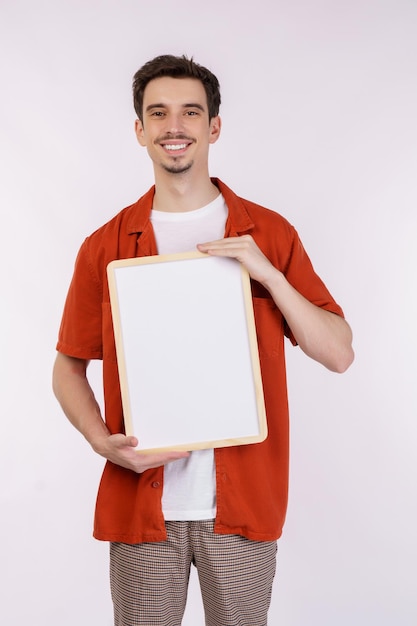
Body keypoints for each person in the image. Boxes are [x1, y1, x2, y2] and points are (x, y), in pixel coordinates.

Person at [52, 54, 354, 626]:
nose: (175, 127)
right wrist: (101, 441)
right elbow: (67, 367)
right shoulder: (105, 245)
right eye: (158, 113)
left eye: (191, 112)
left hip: (242, 505)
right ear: (139, 129)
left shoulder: (268, 232)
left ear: (214, 126)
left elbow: (338, 351)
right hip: (143, 505)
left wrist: (268, 274)